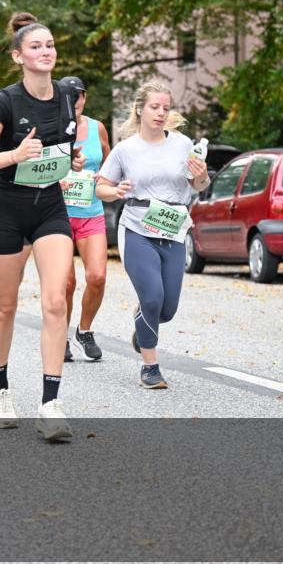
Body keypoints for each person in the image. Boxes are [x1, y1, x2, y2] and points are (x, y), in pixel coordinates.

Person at [0, 12, 85, 440]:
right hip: (6, 210)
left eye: (50, 45)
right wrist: (14, 156)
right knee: (5, 307)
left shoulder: (67, 96)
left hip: (50, 208)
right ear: (18, 56)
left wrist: (71, 160)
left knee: (56, 302)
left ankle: (50, 404)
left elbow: (63, 148)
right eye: (36, 46)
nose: (46, 51)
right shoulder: (6, 101)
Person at [95, 79, 210, 389]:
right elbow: (101, 187)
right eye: (154, 107)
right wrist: (115, 191)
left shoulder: (183, 144)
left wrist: (202, 177)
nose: (160, 113)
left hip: (173, 229)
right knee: (152, 297)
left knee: (167, 310)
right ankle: (150, 367)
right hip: (137, 228)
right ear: (140, 109)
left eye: (165, 108)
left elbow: (198, 185)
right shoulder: (125, 149)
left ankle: (143, 323)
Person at [60, 77, 111, 362]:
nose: (74, 101)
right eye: (68, 96)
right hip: (57, 215)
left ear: (84, 98)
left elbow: (111, 163)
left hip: (91, 213)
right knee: (66, 283)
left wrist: (104, 177)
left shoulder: (97, 128)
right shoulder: (51, 127)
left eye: (78, 95)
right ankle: (62, 337)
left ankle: (84, 330)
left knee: (97, 277)